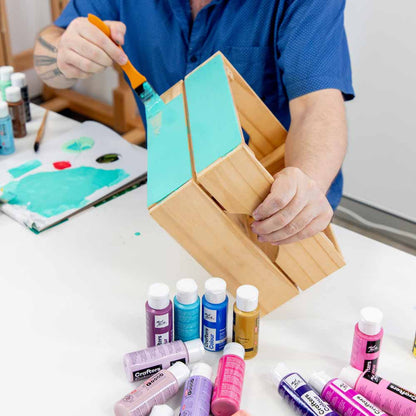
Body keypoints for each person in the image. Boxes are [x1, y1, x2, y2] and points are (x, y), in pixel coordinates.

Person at [34, 0, 354, 245]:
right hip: (172, 196)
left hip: (271, 215)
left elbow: (317, 107)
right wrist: (64, 55)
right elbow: (48, 59)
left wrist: (306, 186)